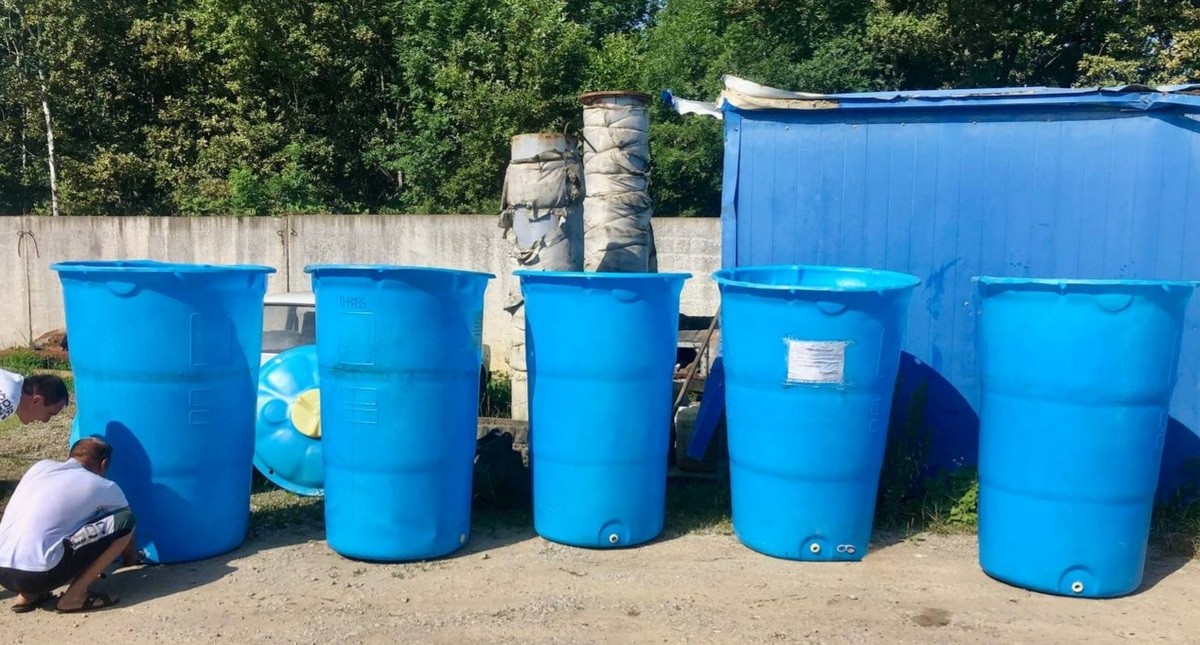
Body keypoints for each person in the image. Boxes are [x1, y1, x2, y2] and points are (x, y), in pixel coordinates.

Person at [0, 437, 138, 614]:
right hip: (39, 574)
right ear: (103, 464)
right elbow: (125, 525)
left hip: (3, 572)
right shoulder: (103, 486)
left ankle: (27, 595)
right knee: (125, 520)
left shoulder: (40, 467)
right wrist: (130, 559)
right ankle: (75, 596)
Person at [0, 369, 69, 424]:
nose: (46, 420)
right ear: (37, 401)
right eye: (49, 413)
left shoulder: (13, 385)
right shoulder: (9, 400)